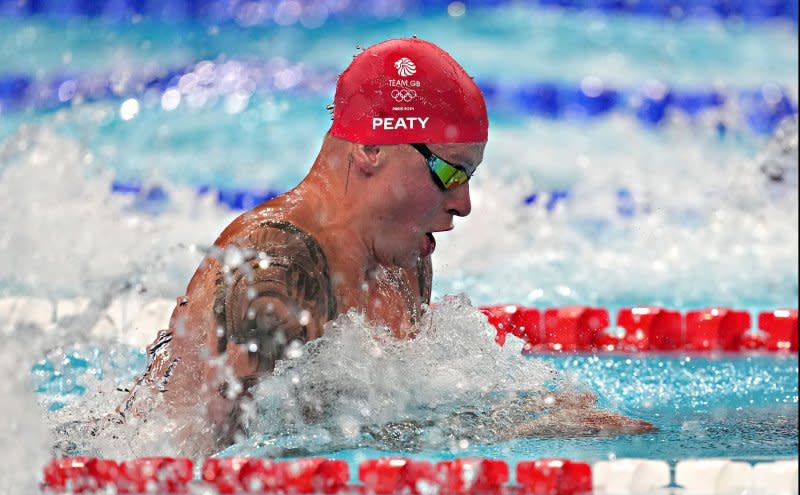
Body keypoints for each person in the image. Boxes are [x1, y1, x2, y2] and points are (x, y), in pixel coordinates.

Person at [116, 37, 652, 455]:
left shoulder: (402, 261)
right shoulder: (279, 264)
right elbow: (219, 461)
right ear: (372, 146)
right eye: (448, 172)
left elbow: (388, 412)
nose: (464, 203)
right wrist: (519, 431)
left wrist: (529, 413)